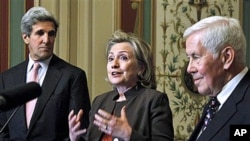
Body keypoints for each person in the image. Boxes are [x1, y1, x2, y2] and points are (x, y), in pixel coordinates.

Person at [0, 6, 91, 140]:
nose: (46, 40)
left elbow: (80, 130)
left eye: (51, 34)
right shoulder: (7, 78)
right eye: (40, 33)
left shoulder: (72, 77)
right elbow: (2, 129)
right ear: (26, 37)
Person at [68, 30, 174, 141]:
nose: (114, 64)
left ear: (141, 68)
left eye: (123, 58)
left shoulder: (154, 100)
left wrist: (128, 135)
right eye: (111, 58)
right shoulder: (100, 101)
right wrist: (74, 138)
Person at [184, 16, 250, 141]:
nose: (189, 69)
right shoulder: (215, 104)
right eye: (189, 58)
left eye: (196, 57)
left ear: (226, 57)